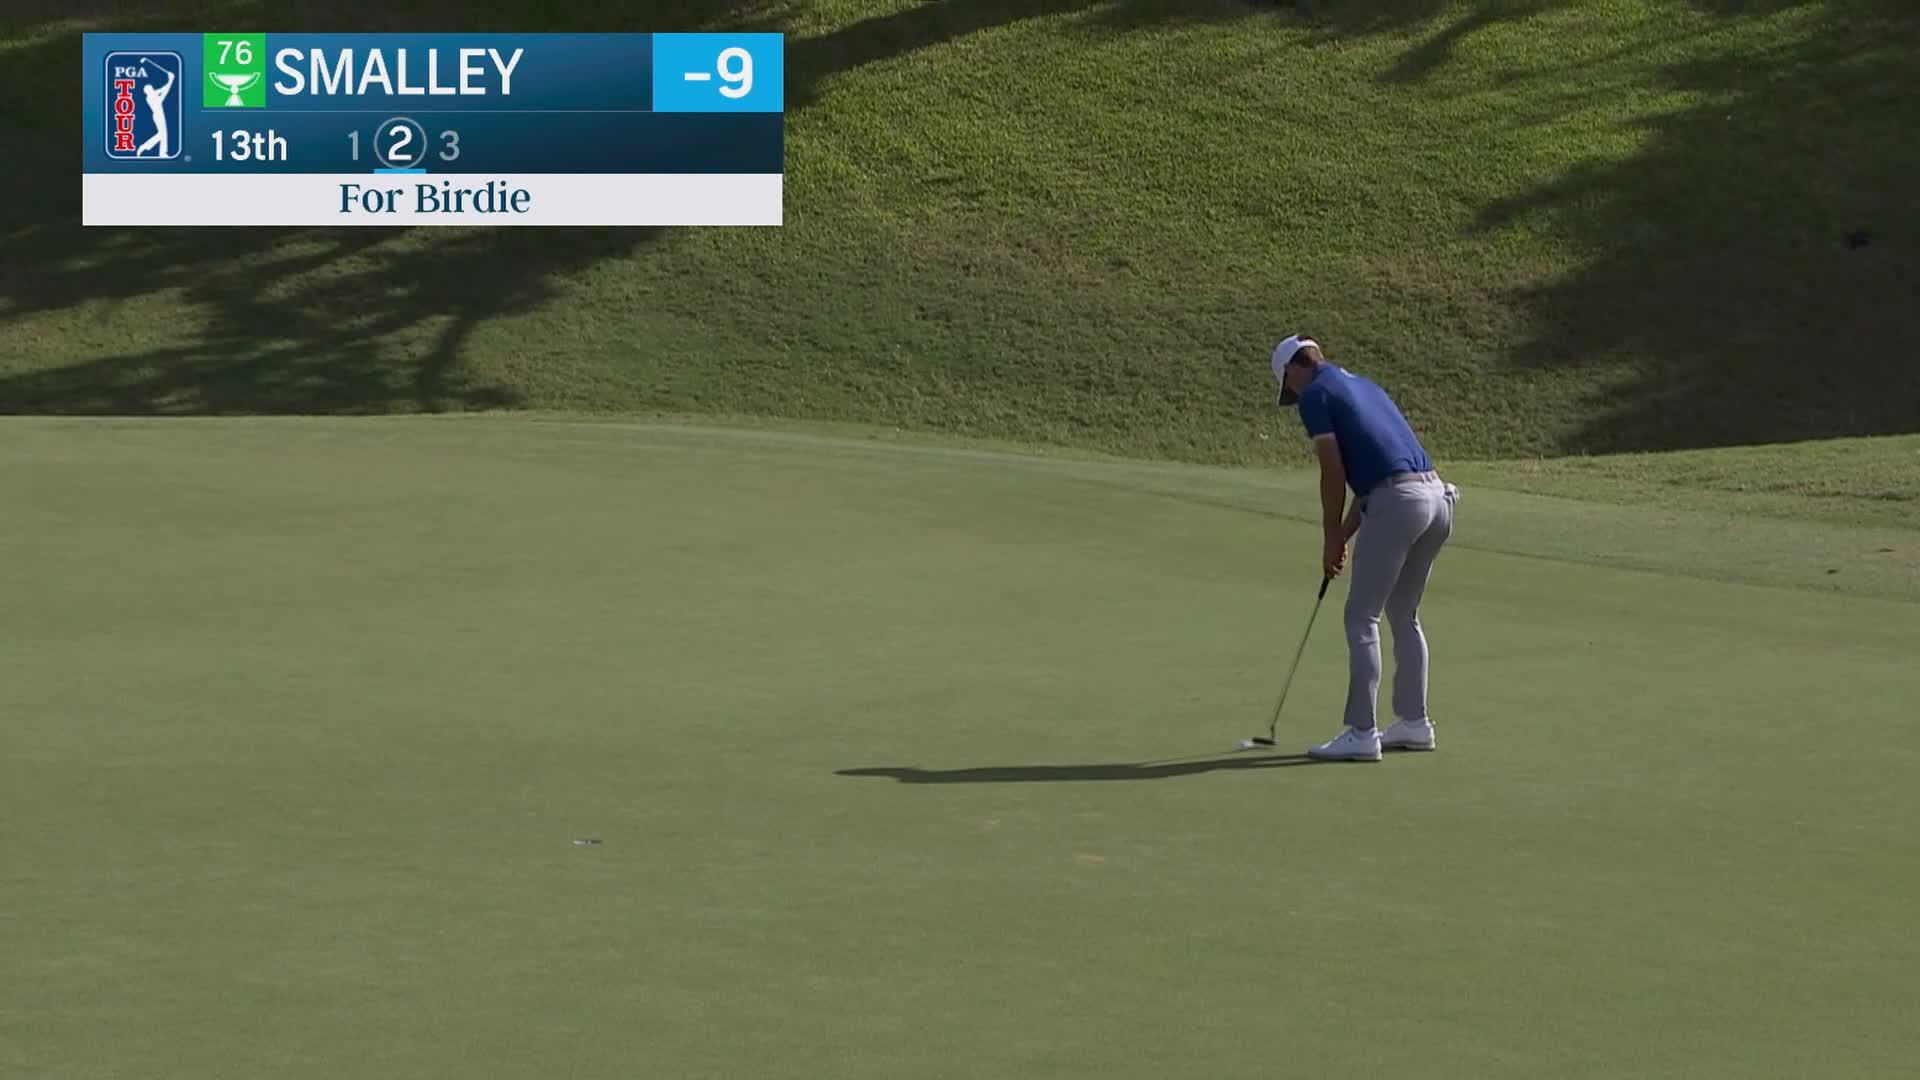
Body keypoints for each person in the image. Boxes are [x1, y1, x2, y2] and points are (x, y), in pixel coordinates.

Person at [1271, 335, 1458, 762]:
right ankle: (1414, 723)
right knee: (1403, 614)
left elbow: (1333, 472)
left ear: (1294, 369)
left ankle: (1362, 732)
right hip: (1436, 500)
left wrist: (1330, 535)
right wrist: (1344, 535)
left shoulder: (1315, 394)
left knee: (1361, 616)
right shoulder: (1365, 387)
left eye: (1288, 387)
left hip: (1400, 502)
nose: (1293, 396)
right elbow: (1378, 477)